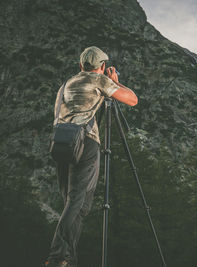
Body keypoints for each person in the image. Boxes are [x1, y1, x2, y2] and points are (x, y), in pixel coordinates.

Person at [44, 46, 138, 267]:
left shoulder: (65, 84)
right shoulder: (99, 80)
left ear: (80, 65)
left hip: (61, 143)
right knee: (77, 200)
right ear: (102, 66)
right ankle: (56, 256)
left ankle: (67, 259)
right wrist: (114, 81)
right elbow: (132, 100)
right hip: (85, 142)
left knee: (77, 203)